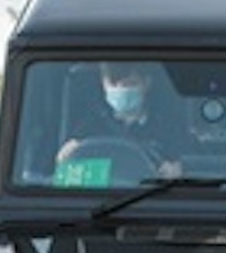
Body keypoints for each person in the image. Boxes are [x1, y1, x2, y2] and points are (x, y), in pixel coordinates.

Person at [56, 62, 189, 178]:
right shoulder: (87, 128)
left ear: (146, 83)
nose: (120, 90)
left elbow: (187, 163)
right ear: (103, 84)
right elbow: (70, 179)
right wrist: (68, 158)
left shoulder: (169, 128)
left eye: (129, 84)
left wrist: (176, 171)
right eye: (113, 84)